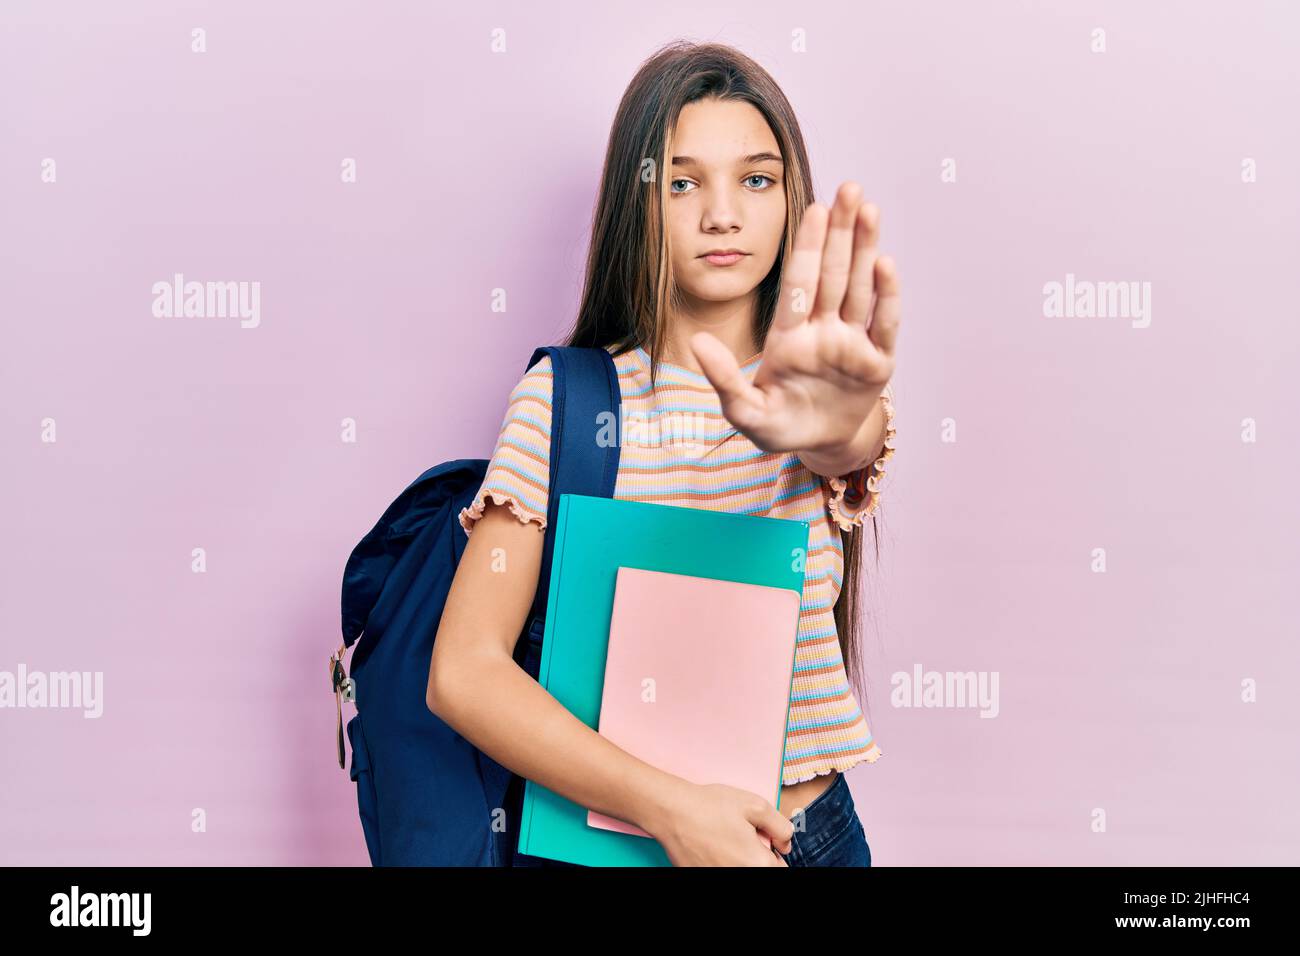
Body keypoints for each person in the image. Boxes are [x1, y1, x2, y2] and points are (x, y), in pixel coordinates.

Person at [427, 40, 900, 867]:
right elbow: (463, 673)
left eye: (756, 178)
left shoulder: (818, 391)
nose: (723, 214)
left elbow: (843, 443)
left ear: (792, 200)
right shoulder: (566, 403)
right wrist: (672, 810)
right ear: (636, 203)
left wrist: (837, 423)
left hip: (809, 838)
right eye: (683, 183)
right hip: (623, 845)